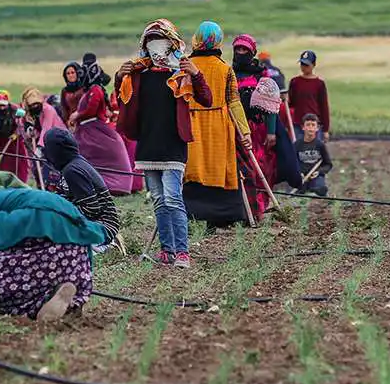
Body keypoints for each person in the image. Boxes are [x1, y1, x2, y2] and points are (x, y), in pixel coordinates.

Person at [115, 19, 213, 266]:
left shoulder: (180, 75)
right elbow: (122, 100)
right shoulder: (138, 75)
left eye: (161, 43)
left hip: (172, 145)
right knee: (159, 200)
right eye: (152, 43)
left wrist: (196, 74)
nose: (157, 49)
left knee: (172, 198)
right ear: (145, 47)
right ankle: (166, 250)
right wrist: (119, 77)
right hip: (148, 145)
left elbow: (206, 99)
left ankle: (182, 251)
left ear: (172, 45)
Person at [0, 168, 104, 320]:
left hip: (48, 254)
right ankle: (57, 303)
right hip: (73, 264)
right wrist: (83, 290)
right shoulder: (35, 197)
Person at [180, 20, 252, 228]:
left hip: (192, 123)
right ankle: (221, 217)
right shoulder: (225, 69)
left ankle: (189, 214)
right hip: (219, 125)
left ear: (197, 39)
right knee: (218, 167)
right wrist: (244, 132)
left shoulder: (185, 66)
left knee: (193, 166)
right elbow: (234, 101)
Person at [233, 34, 292, 216]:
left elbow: (271, 105)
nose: (241, 53)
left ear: (252, 52)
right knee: (241, 169)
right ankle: (243, 208)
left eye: (245, 50)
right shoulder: (229, 72)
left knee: (261, 166)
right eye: (238, 49)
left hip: (258, 128)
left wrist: (272, 131)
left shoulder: (261, 73)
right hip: (236, 128)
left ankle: (260, 205)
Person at [66, 58, 138, 196]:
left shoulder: (96, 90)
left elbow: (91, 109)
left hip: (93, 131)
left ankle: (110, 184)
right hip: (86, 129)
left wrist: (77, 115)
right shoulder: (90, 90)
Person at [44, 127, 121, 246]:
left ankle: (103, 246)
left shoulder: (72, 170)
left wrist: (60, 212)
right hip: (98, 226)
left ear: (55, 151)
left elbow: (92, 209)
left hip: (102, 229)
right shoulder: (71, 165)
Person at [0, 89, 32, 184]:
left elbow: (21, 124)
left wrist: (16, 133)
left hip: (15, 141)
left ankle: (21, 184)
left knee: (20, 164)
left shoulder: (16, 109)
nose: (1, 108)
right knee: (3, 165)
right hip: (0, 142)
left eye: (3, 105)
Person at [288, 50, 330, 141]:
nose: (304, 67)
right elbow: (291, 103)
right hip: (298, 123)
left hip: (313, 124)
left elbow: (324, 106)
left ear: (313, 64)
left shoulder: (319, 84)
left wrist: (325, 130)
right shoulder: (295, 82)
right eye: (302, 64)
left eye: (307, 65)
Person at [293, 114, 334, 196]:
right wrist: (298, 172)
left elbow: (328, 164)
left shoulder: (320, 145)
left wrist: (319, 172)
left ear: (317, 128)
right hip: (301, 176)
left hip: (316, 176)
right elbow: (292, 163)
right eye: (308, 125)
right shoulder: (296, 145)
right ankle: (304, 189)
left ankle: (315, 190)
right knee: (297, 190)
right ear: (303, 127)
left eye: (313, 125)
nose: (310, 127)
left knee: (320, 188)